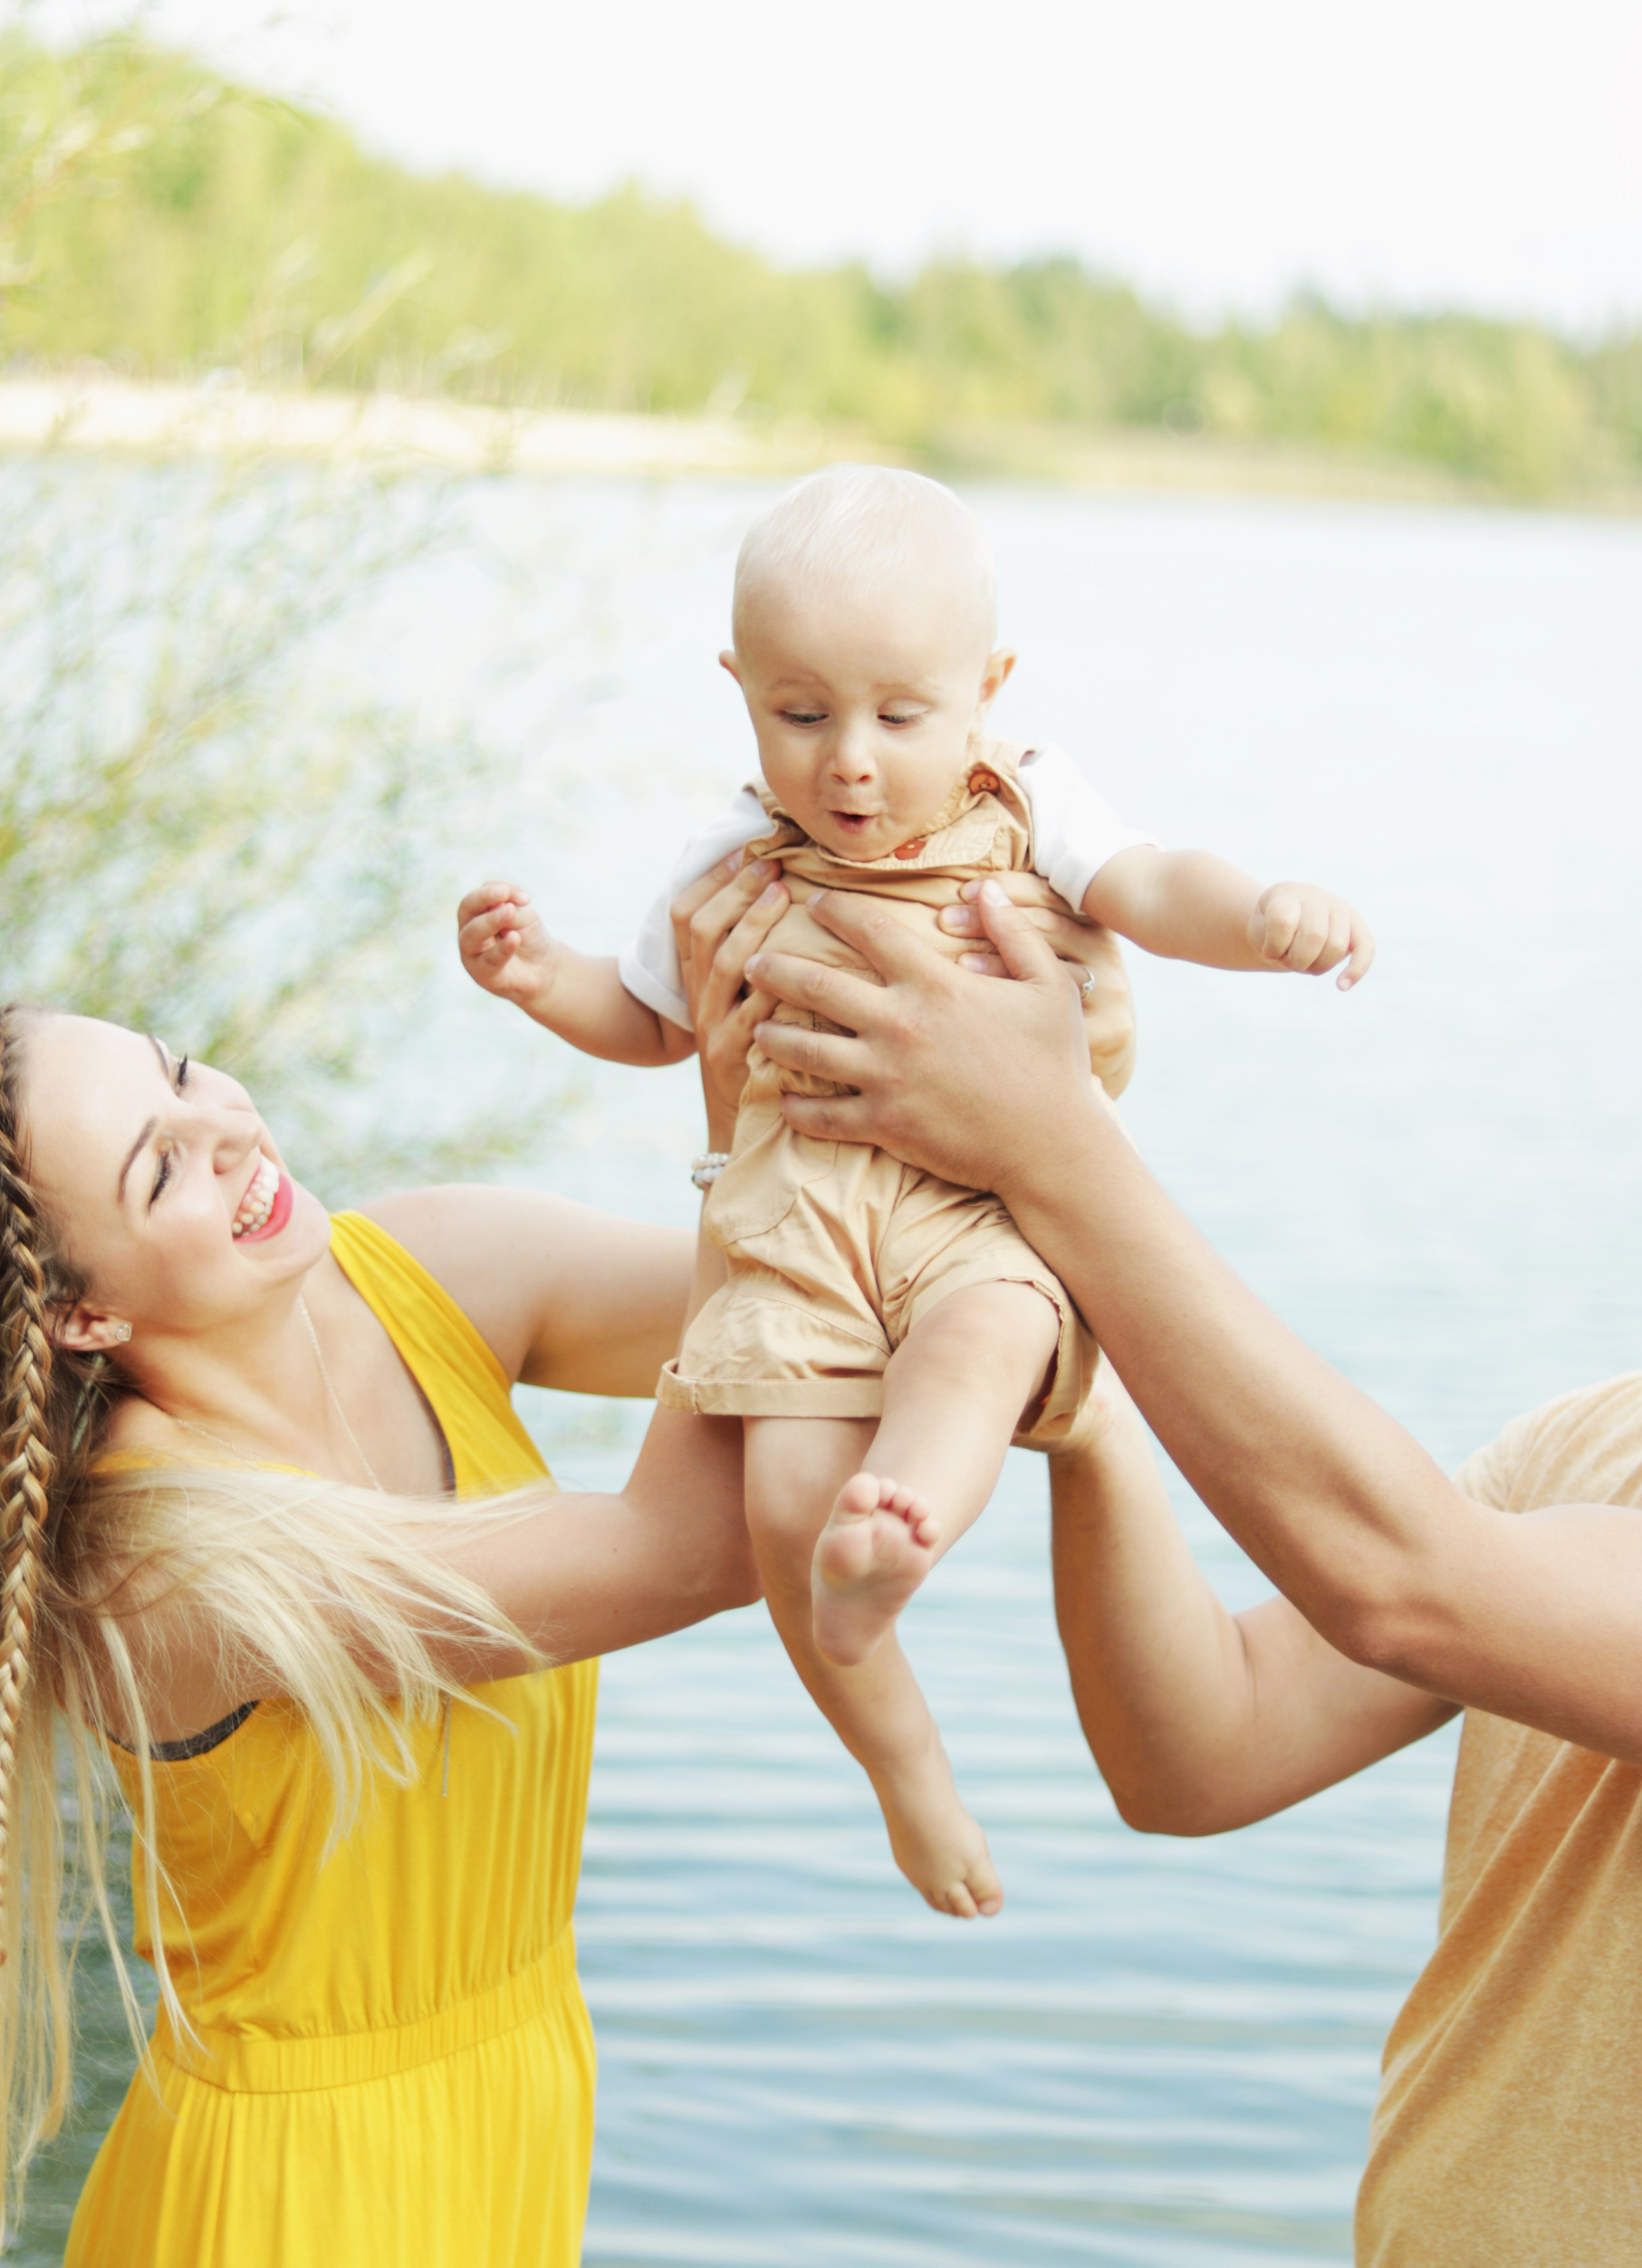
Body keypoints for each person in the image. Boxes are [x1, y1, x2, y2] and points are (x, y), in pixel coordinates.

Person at [457, 463, 1375, 1922]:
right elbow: (649, 1020)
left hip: (972, 1210)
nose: (850, 765)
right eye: (800, 714)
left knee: (984, 1339)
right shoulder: (728, 856)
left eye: (900, 717)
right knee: (780, 1503)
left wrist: (1261, 917)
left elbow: (1150, 887)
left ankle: (907, 1517)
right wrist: (536, 976)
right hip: (798, 1219)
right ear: (738, 689)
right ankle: (907, 1768)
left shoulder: (1030, 801)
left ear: (986, 691)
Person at [740, 870, 1642, 2267]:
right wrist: (1084, 1407)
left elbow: (1401, 1582)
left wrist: (1050, 1137)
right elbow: (1203, 1753)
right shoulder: (1596, 1440)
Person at [0, 858, 779, 2268]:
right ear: (86, 1318)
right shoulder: (162, 1564)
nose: (227, 1130)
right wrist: (735, 1128)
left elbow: (817, 1311)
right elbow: (697, 1544)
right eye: (160, 1167)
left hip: (516, 2107)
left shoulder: (428, 1265)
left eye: (183, 1072)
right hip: (292, 2202)